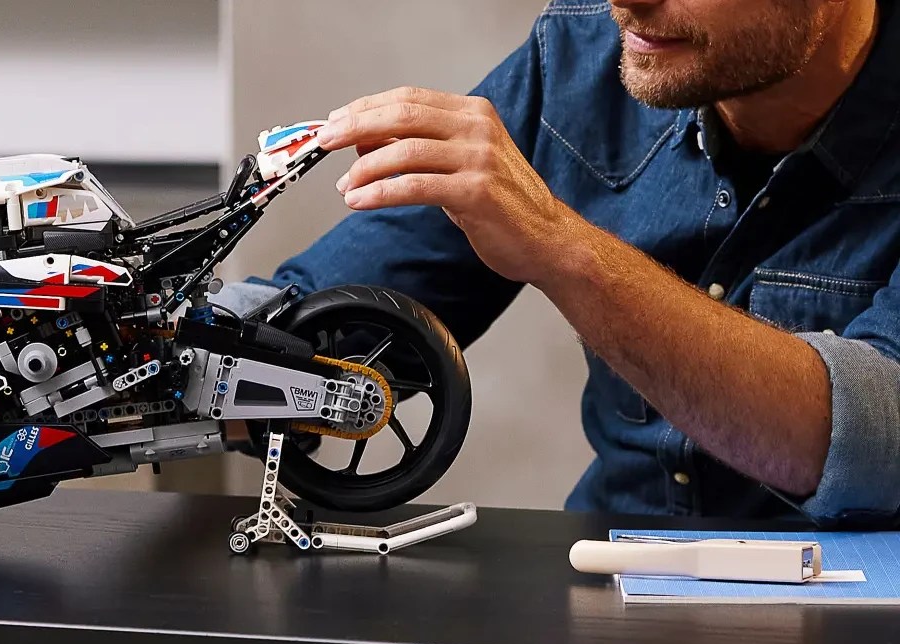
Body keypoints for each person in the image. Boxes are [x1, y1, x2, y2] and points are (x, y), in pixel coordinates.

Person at [215, 0, 900, 527]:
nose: (625, 2)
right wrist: (161, 347)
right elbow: (322, 328)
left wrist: (564, 248)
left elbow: (876, 444)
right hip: (605, 607)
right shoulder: (586, 56)